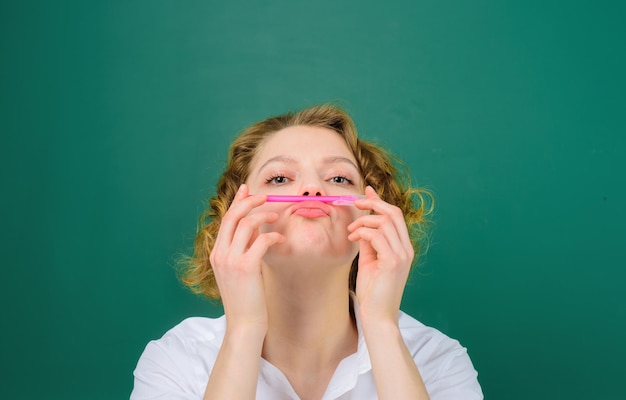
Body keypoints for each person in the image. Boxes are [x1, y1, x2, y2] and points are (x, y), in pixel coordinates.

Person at [130, 104, 483, 399]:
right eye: (280, 178)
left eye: (339, 179)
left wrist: (382, 325)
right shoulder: (176, 361)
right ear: (233, 214)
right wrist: (244, 329)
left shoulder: (437, 361)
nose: (313, 188)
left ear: (373, 213)